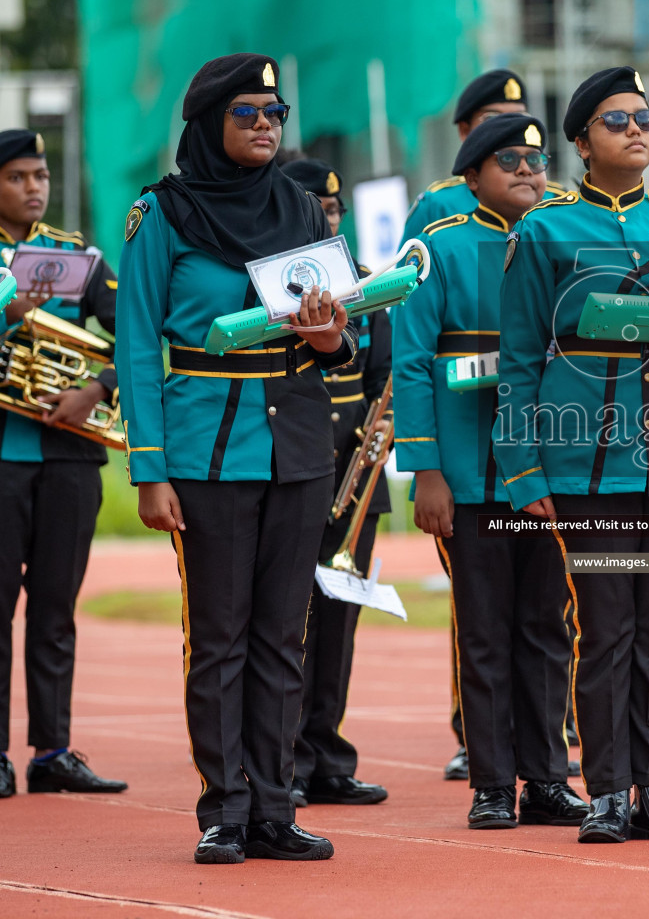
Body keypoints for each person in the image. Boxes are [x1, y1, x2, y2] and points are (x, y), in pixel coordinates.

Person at [117, 54, 355, 865]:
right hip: (204, 448)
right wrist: (148, 468)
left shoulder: (299, 205)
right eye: (247, 111)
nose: (265, 125)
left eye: (276, 112)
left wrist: (330, 335)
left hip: (297, 446)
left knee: (283, 637)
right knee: (219, 637)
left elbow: (336, 334)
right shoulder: (164, 213)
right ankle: (225, 808)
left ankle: (275, 810)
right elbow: (138, 345)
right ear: (209, 121)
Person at [494, 66, 649, 844]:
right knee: (605, 629)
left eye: (646, 117)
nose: (638, 130)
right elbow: (522, 358)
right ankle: (604, 794)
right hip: (588, 467)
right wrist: (523, 466)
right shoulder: (543, 231)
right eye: (618, 120)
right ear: (581, 142)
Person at [394, 113, 585, 830]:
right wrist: (426, 471)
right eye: (510, 161)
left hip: (548, 470)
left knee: (547, 627)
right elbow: (411, 362)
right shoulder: (439, 247)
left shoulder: (565, 237)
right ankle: (490, 784)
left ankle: (546, 778)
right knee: (484, 633)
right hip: (471, 474)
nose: (530, 171)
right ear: (471, 175)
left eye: (537, 160)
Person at [0, 129, 128, 800]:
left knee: (56, 607)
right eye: (17, 177)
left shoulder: (76, 254)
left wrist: (96, 390)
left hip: (70, 451)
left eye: (40, 175)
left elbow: (131, 331)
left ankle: (53, 750)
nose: (34, 187)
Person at [278, 158, 390, 809]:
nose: (329, 216)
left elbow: (384, 378)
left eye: (335, 207)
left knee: (339, 621)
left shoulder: (369, 287)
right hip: (295, 469)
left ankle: (327, 756)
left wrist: (379, 440)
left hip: (355, 475)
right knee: (290, 622)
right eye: (316, 206)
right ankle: (283, 759)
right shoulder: (268, 288)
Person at [402, 69, 532, 245]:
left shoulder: (553, 201)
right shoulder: (436, 206)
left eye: (518, 118)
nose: (508, 129)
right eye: (492, 119)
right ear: (464, 130)